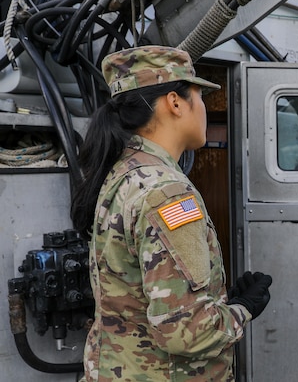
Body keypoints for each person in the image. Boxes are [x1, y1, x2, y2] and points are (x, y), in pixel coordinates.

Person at [70, 46, 273, 381]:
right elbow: (185, 332)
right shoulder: (167, 192)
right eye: (199, 95)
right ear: (175, 103)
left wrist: (217, 303)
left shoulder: (122, 173)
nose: (204, 108)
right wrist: (242, 310)